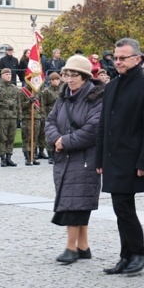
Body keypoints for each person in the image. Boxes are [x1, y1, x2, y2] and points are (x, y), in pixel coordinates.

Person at [96, 38, 144, 275]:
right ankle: (127, 256)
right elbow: (103, 124)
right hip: (113, 157)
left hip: (132, 157)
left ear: (137, 58)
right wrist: (99, 158)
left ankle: (139, 252)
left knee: (123, 206)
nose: (118, 62)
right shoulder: (112, 86)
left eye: (123, 58)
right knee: (120, 207)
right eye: (116, 58)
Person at [46, 55, 104, 264]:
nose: (69, 79)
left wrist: (65, 141)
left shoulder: (96, 97)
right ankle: (83, 246)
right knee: (75, 201)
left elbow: (93, 129)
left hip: (85, 157)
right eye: (67, 75)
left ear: (85, 77)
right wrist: (56, 140)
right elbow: (50, 121)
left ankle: (71, 248)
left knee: (75, 203)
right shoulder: (63, 97)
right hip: (65, 157)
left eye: (74, 75)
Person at [0, 68, 21, 166]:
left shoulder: (15, 88)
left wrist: (19, 117)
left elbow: (18, 104)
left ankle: (9, 156)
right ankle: (2, 157)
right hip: (2, 116)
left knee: (11, 138)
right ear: (2, 75)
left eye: (10, 74)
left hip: (12, 116)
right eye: (7, 74)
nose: (9, 76)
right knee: (2, 138)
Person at [41, 72, 62, 165]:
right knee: (49, 135)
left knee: (60, 134)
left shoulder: (62, 90)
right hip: (49, 114)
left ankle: (58, 152)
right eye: (54, 80)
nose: (57, 81)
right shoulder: (46, 91)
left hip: (61, 114)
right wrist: (44, 116)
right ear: (50, 81)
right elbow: (43, 104)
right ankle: (50, 154)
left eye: (58, 79)